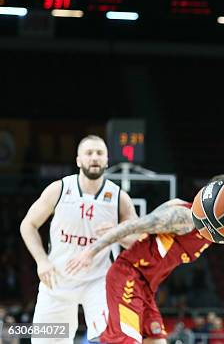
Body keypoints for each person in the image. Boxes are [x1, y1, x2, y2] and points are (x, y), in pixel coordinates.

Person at [20, 135, 138, 343]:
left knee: (110, 340)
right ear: (78, 160)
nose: (94, 157)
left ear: (107, 160)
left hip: (98, 282)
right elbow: (27, 225)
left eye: (99, 153)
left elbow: (138, 242)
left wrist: (118, 232)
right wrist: (41, 261)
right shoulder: (59, 189)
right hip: (57, 279)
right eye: (89, 153)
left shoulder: (119, 197)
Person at [65, 198, 212, 343]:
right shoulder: (184, 217)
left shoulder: (214, 232)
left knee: (157, 341)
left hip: (146, 288)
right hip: (128, 276)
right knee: (127, 340)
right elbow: (136, 226)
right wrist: (91, 251)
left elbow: (140, 240)